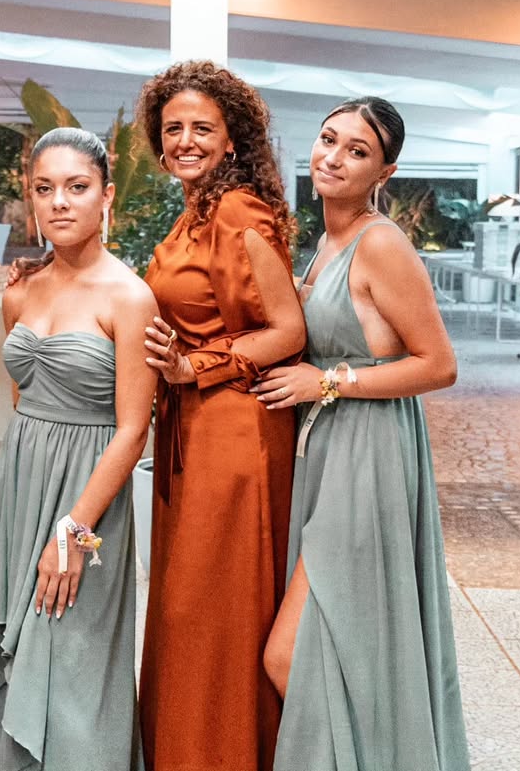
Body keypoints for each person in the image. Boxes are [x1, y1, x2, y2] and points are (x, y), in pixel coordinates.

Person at [253, 97, 471, 771]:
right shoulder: (325, 241)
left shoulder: (380, 243)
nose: (334, 157)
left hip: (367, 452)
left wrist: (325, 382)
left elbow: (439, 365)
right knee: (342, 646)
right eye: (328, 139)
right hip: (328, 447)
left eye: (357, 151)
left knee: (289, 654)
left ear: (385, 172)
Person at [0, 127, 156, 771]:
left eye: (77, 187)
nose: (60, 202)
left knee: (76, 666)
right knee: (26, 654)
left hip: (88, 500)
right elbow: (23, 400)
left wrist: (75, 530)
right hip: (22, 489)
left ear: (107, 196)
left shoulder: (130, 297)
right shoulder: (21, 290)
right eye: (44, 189)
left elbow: (133, 429)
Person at [136, 60, 306, 771]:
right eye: (173, 127)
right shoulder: (196, 211)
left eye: (201, 128)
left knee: (211, 612)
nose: (185, 140)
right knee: (190, 607)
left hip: (234, 432)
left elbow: (287, 330)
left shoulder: (237, 212)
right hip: (193, 427)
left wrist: (192, 367)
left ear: (231, 138)